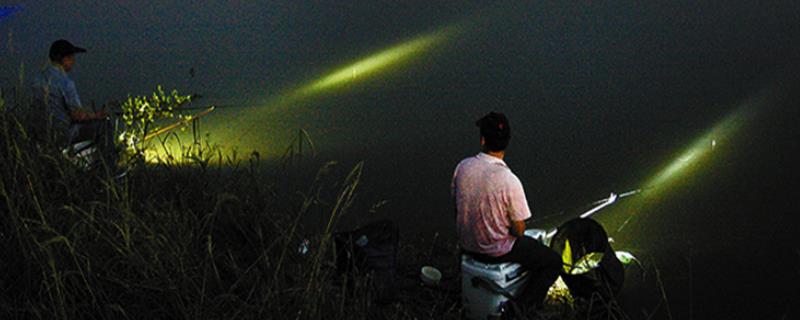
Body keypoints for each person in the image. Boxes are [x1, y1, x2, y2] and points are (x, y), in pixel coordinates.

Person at [452, 111, 562, 312]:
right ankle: (521, 308)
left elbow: (457, 205)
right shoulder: (509, 180)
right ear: (507, 142)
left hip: (466, 246)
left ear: (483, 140)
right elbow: (519, 231)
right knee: (553, 262)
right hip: (496, 252)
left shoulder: (463, 167)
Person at [31, 39, 115, 162]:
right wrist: (98, 114)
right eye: (71, 57)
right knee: (104, 127)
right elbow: (77, 115)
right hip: (63, 134)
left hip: (42, 134)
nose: (74, 61)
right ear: (64, 59)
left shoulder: (37, 80)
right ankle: (107, 167)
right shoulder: (65, 82)